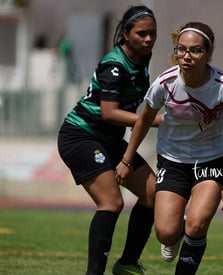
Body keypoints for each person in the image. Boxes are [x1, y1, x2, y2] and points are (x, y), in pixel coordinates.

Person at [116, 21, 223, 274]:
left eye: (195, 50)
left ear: (208, 53)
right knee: (165, 233)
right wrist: (127, 159)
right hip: (173, 161)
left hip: (212, 161)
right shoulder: (165, 83)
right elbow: (143, 120)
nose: (186, 56)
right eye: (181, 50)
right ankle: (176, 232)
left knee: (196, 225)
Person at [57, 5, 159, 275]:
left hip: (110, 140)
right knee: (112, 202)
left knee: (153, 195)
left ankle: (126, 264)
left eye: (152, 34)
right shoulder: (115, 64)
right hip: (81, 136)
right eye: (141, 34)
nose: (148, 39)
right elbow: (109, 112)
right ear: (125, 34)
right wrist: (157, 121)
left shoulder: (142, 58)